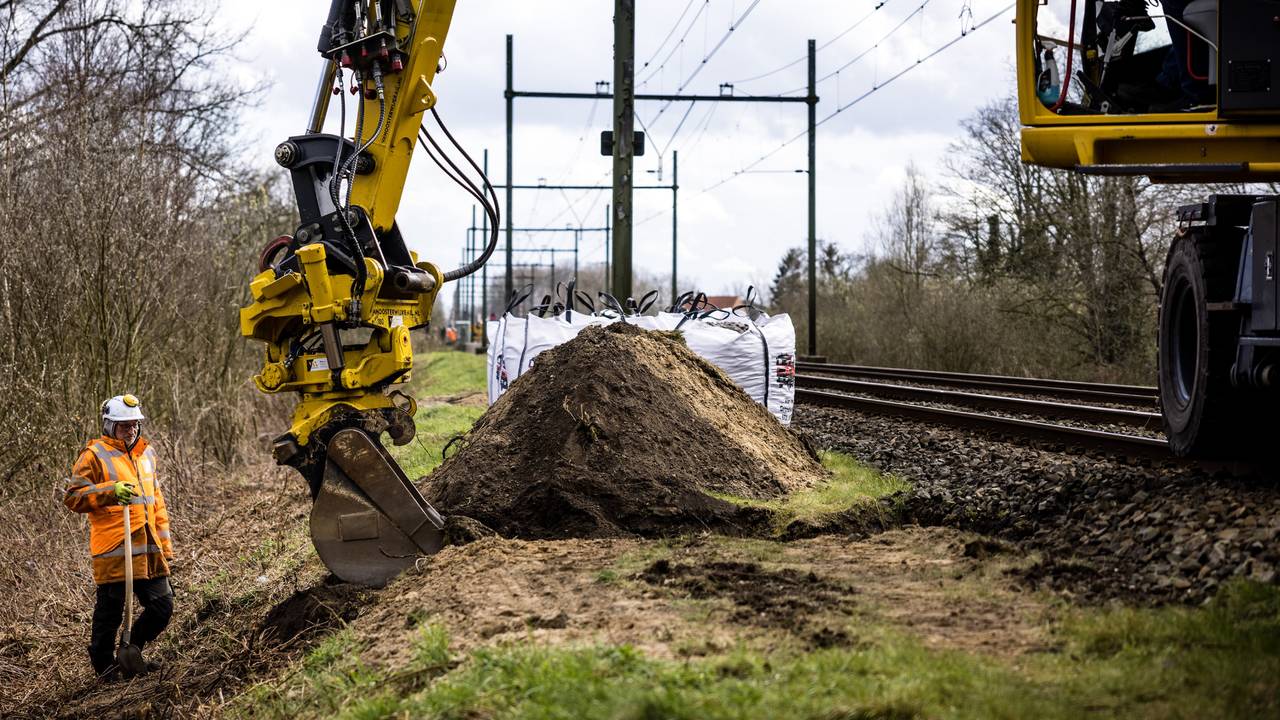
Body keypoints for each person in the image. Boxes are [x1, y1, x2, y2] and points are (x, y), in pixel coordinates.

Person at [64, 394, 175, 679]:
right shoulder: (94, 455)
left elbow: (156, 502)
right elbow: (74, 497)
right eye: (125, 425)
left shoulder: (146, 454)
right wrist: (111, 490)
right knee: (110, 613)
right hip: (115, 548)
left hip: (148, 547)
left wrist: (165, 545)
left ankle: (132, 648)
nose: (132, 429)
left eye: (135, 423)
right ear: (110, 425)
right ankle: (105, 668)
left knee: (162, 606)